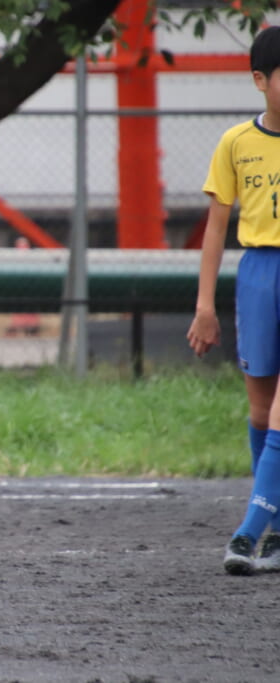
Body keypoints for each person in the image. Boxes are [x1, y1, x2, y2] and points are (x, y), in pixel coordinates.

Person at [188, 26, 280, 575]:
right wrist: (205, 305)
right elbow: (216, 231)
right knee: (259, 409)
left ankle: (248, 532)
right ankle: (278, 529)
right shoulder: (235, 143)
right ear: (259, 81)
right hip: (258, 275)